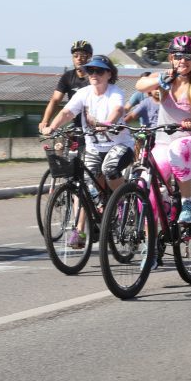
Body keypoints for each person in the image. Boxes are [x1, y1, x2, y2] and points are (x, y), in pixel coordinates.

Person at [41, 55, 134, 248]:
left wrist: (107, 123)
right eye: (91, 70)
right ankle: (80, 232)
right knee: (84, 185)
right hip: (93, 148)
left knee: (109, 169)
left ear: (109, 74)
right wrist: (52, 126)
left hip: (119, 146)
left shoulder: (114, 92)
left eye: (99, 71)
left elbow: (117, 109)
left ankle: (123, 200)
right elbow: (67, 112)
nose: (94, 74)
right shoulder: (83, 93)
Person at [135, 35, 191, 224]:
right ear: (171, 58)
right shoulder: (164, 79)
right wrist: (161, 79)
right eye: (177, 56)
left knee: (177, 149)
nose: (182, 61)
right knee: (144, 186)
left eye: (188, 57)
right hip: (163, 142)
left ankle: (187, 203)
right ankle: (150, 243)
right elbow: (139, 85)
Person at [40, 40, 92, 133]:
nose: (79, 59)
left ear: (89, 57)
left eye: (83, 56)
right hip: (75, 122)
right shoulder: (67, 76)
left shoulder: (95, 77)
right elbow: (55, 100)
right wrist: (45, 121)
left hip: (93, 124)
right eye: (75, 56)